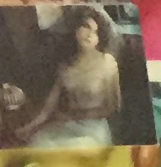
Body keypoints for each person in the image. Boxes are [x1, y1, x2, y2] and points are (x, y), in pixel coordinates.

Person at [18, 8, 124, 148]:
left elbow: (113, 106)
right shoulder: (66, 67)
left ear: (99, 38)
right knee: (39, 143)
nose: (90, 35)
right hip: (67, 125)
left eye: (96, 32)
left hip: (94, 129)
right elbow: (48, 108)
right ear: (76, 30)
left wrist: (74, 115)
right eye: (86, 27)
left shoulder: (107, 62)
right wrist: (29, 127)